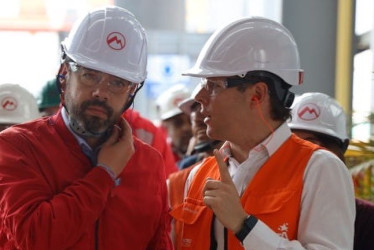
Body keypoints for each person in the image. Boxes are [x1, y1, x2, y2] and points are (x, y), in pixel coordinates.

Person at [170, 17, 355, 249]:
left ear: (257, 94)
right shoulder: (197, 175)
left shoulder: (320, 168)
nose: (199, 98)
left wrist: (243, 225)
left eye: (214, 86)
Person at [0, 6, 172, 249]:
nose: (101, 93)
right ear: (64, 74)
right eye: (90, 76)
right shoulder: (17, 147)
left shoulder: (149, 162)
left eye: (117, 82)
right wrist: (105, 173)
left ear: (131, 92)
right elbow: (35, 239)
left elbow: (159, 243)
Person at [288, 92, 374, 250]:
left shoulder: (368, 220)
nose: (303, 154)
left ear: (342, 149)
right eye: (294, 145)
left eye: (311, 145)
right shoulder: (271, 212)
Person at [178, 82, 222, 169]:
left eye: (203, 123)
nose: (198, 113)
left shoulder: (236, 159)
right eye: (197, 123)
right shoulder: (188, 165)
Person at [123, 108, 178, 177]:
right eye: (177, 123)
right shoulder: (150, 131)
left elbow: (168, 179)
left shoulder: (150, 131)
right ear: (164, 124)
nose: (186, 128)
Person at [156, 84, 193, 164]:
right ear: (165, 127)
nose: (187, 128)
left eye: (191, 120)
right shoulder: (158, 160)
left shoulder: (212, 152)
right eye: (178, 123)